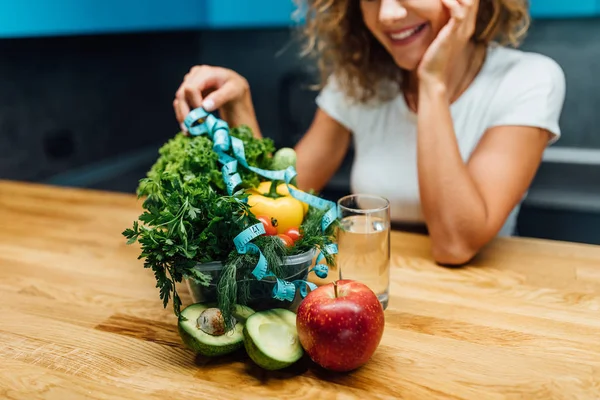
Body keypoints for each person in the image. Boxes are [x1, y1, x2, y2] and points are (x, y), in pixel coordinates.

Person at [172, 0, 566, 265]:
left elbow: (455, 243)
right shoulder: (358, 81)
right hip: (371, 284)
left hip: (487, 306)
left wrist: (432, 82)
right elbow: (273, 202)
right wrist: (239, 104)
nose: (388, 15)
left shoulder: (530, 79)